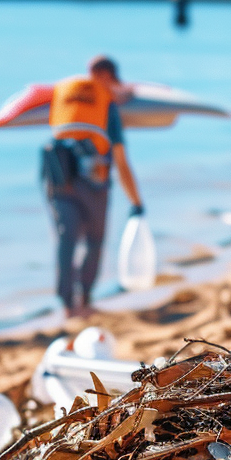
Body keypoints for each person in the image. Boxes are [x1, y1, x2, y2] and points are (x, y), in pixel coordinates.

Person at [44, 56, 144, 318]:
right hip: (94, 185)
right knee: (94, 242)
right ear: (108, 77)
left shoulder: (64, 97)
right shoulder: (107, 108)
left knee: (66, 242)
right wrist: (136, 200)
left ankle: (68, 306)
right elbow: (121, 160)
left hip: (57, 178)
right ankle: (84, 300)